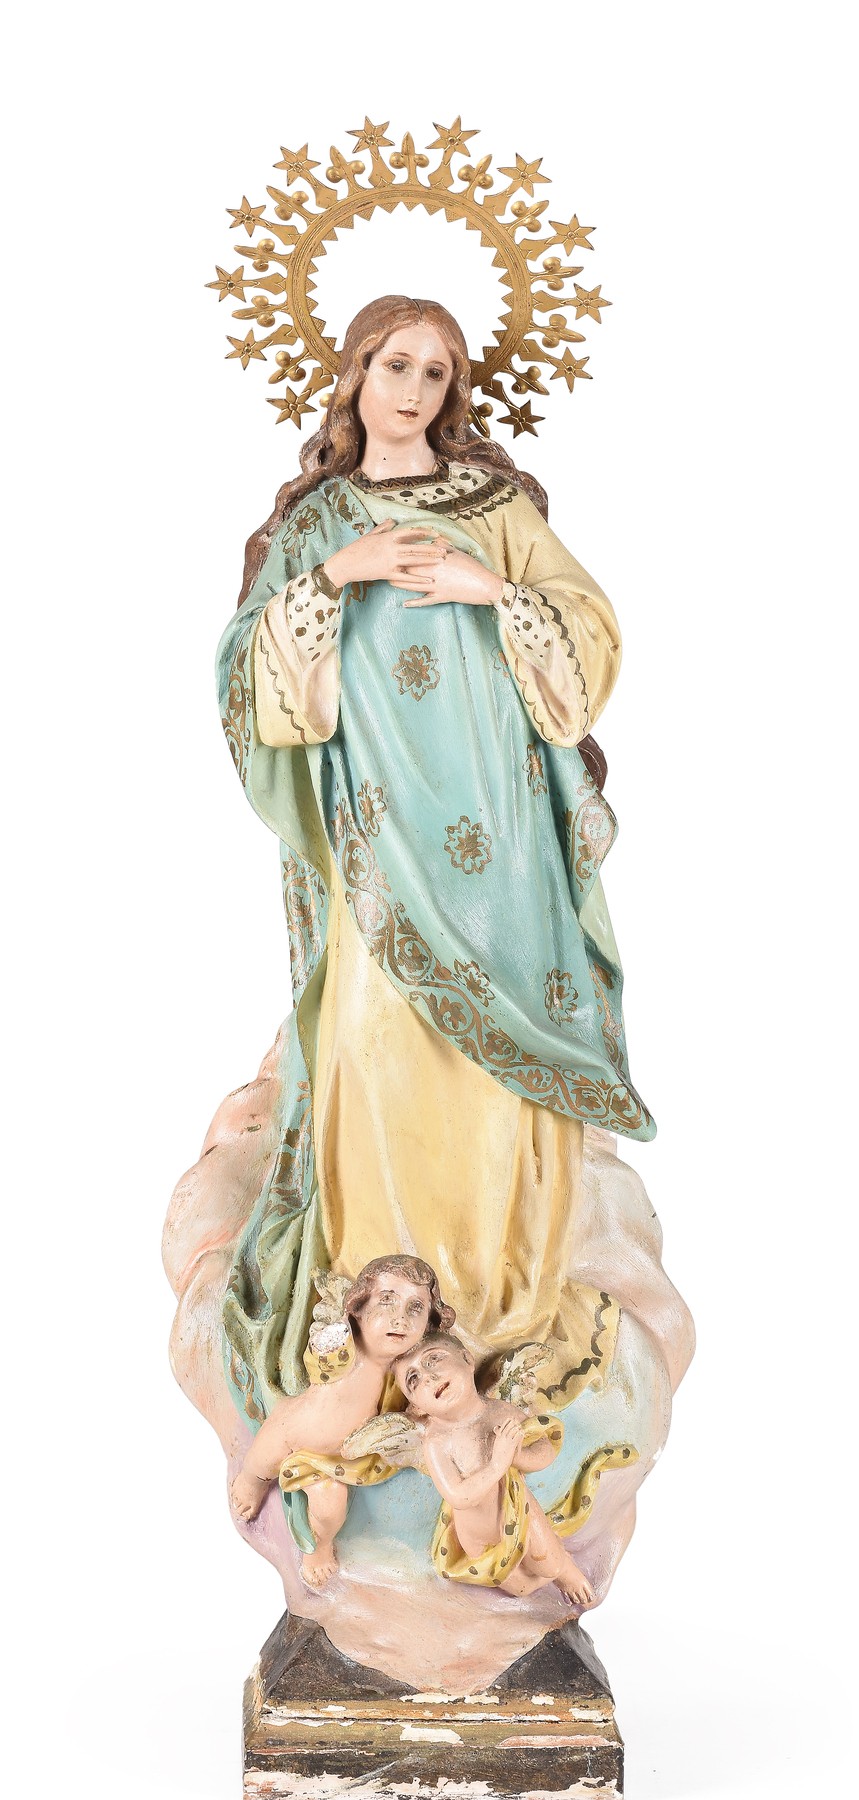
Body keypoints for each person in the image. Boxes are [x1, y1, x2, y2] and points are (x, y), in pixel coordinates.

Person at [217, 292, 655, 1448]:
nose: (412, 390)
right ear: (354, 376)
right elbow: (247, 677)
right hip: (377, 845)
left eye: (435, 372)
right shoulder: (316, 522)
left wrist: (492, 590)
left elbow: (590, 632)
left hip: (496, 839)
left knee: (493, 1084)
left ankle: (498, 1315)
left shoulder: (494, 511)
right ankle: (381, 1306)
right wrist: (335, 574)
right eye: (394, 364)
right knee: (377, 1051)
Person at [229, 1253, 442, 1587]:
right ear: (357, 1308)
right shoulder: (346, 1349)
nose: (400, 1318)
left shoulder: (405, 1367)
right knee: (264, 1456)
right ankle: (251, 1481)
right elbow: (322, 1361)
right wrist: (332, 1336)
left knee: (330, 1511)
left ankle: (319, 1548)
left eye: (416, 1308)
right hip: (294, 1433)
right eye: (387, 1301)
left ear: (429, 1322)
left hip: (336, 1462)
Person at [393, 1334, 593, 1603]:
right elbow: (457, 1496)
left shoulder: (500, 1412)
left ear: (467, 1359)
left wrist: (518, 1456)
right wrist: (498, 1463)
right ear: (416, 1406)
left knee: (549, 1563)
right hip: (475, 1535)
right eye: (413, 1379)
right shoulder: (437, 1442)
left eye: (434, 1359)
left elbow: (544, 1449)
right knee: (520, 1588)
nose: (428, 1377)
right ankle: (548, 1571)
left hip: (518, 1509)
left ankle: (565, 1569)